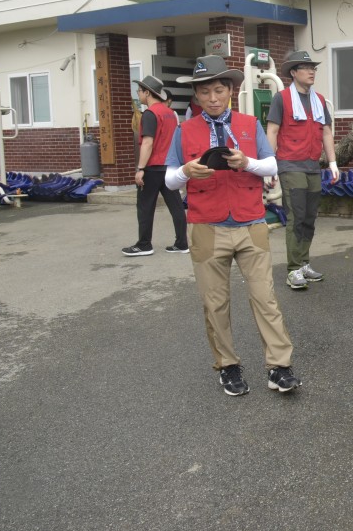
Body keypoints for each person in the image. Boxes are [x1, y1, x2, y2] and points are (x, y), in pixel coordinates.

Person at [165, 55, 300, 398]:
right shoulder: (185, 130)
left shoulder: (249, 124)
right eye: (205, 92)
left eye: (219, 90)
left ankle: (279, 367)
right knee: (215, 303)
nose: (212, 98)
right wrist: (186, 173)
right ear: (196, 95)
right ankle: (228, 366)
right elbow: (168, 179)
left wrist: (247, 162)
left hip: (251, 222)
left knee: (265, 297)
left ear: (230, 91)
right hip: (206, 226)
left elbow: (271, 166)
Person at [266, 50, 339, 291]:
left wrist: (332, 162)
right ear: (293, 73)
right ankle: (293, 269)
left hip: (312, 166)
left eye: (314, 68)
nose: (311, 71)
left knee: (309, 217)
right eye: (306, 68)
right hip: (290, 164)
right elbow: (273, 131)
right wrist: (269, 166)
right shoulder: (282, 98)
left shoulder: (318, 98)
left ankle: (304, 262)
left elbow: (326, 132)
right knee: (296, 216)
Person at [121, 75, 188, 257]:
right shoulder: (170, 113)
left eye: (139, 91)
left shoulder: (150, 114)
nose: (138, 94)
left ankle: (144, 244)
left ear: (147, 93)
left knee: (145, 207)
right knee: (176, 206)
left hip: (152, 168)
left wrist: (140, 168)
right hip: (169, 167)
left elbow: (148, 143)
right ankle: (182, 243)